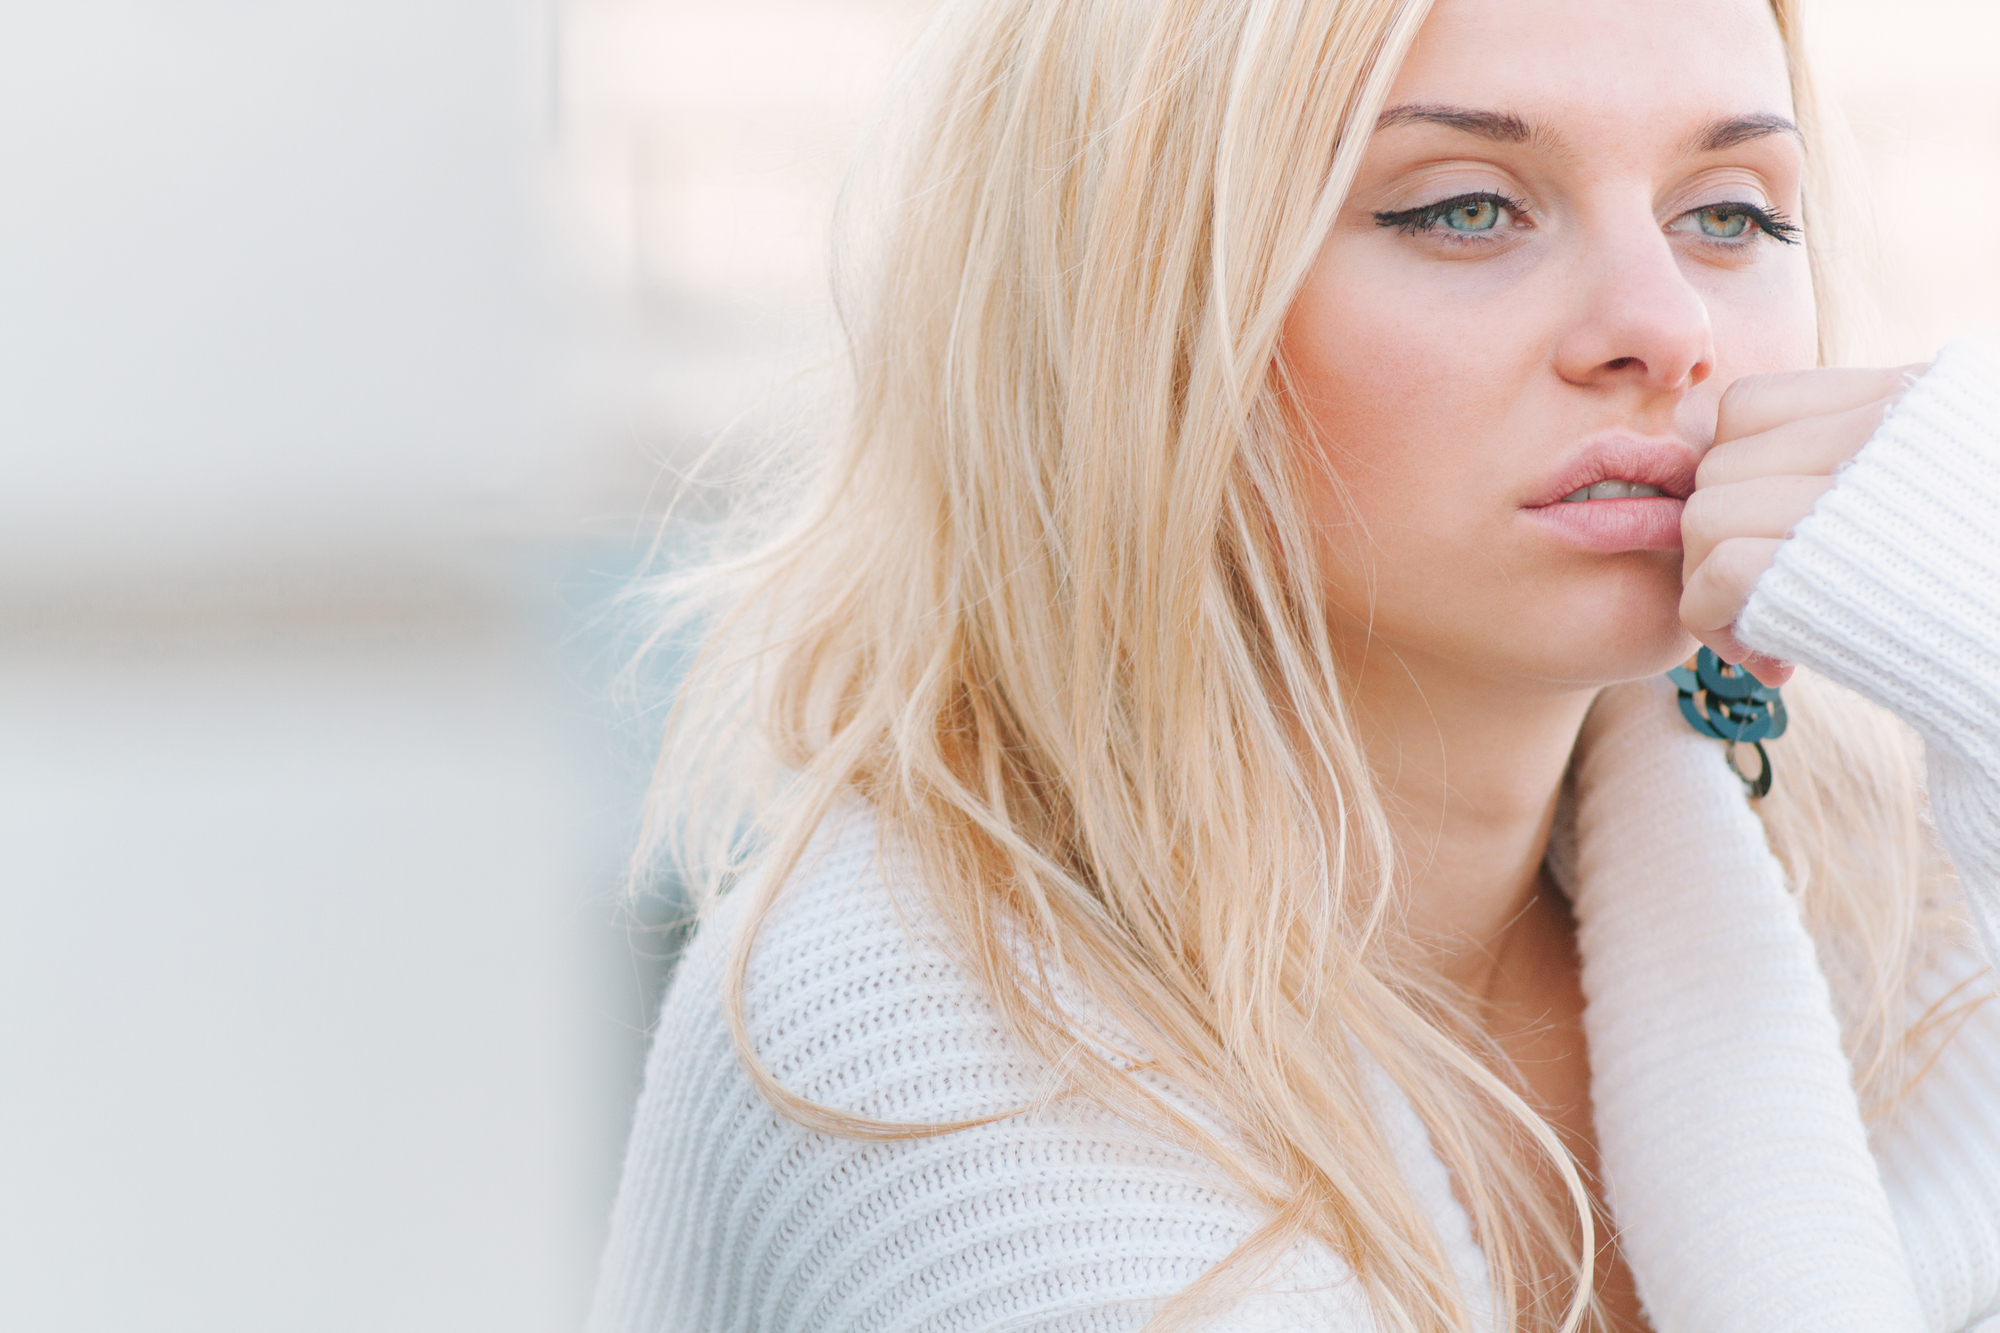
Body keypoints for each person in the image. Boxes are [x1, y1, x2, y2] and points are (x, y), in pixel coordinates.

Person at [590, 0, 2000, 1328]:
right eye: (1465, 208)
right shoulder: (903, 1019)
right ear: (1142, 304)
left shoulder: (1907, 904)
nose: (1666, 326)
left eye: (1731, 215)